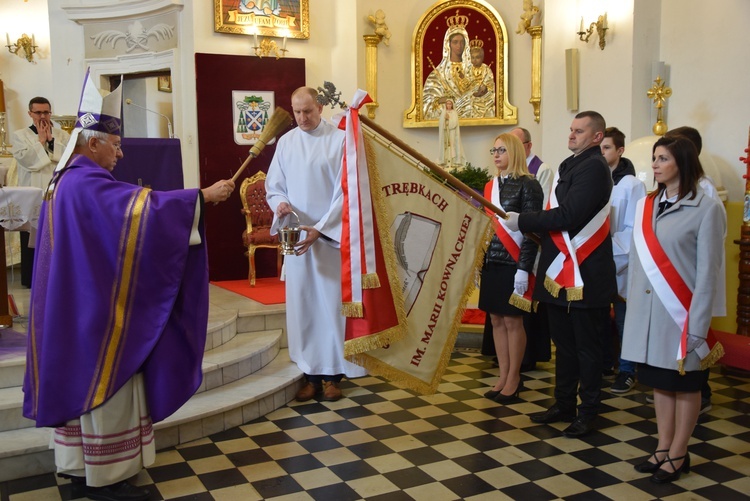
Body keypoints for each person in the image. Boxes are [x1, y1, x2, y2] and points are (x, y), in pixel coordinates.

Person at [22, 72, 235, 501]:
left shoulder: (63, 181)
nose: (120, 153)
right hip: (94, 317)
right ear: (92, 143)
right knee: (105, 382)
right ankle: (109, 476)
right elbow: (142, 213)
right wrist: (202, 198)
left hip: (73, 308)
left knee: (80, 384)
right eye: (115, 145)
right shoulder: (84, 183)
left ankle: (79, 466)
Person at [505, 111, 616, 438]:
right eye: (571, 129)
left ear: (597, 137)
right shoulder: (571, 165)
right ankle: (564, 403)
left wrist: (523, 220)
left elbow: (569, 215)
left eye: (579, 131)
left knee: (587, 348)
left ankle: (589, 411)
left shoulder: (594, 168)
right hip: (560, 271)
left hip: (585, 273)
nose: (571, 135)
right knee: (564, 346)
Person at [623, 135, 725, 483]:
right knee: (660, 384)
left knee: (686, 385)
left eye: (662, 158)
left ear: (681, 162)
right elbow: (639, 264)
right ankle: (662, 447)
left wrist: (698, 323)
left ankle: (680, 452)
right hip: (649, 314)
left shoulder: (706, 208)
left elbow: (708, 272)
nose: (654, 164)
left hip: (681, 315)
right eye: (654, 157)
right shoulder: (647, 204)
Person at [266, 86, 367, 403]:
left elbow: (346, 194)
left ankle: (333, 376)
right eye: (296, 112)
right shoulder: (286, 142)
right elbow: (274, 185)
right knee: (303, 308)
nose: (302, 117)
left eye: (307, 110)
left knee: (330, 309)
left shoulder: (338, 140)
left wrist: (321, 230)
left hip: (328, 241)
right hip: (297, 238)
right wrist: (281, 204)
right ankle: (309, 375)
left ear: (320, 107)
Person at [480, 133, 543, 403]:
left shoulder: (529, 185)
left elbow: (531, 231)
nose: (496, 155)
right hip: (492, 262)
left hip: (514, 263)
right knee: (495, 319)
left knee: (512, 321)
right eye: (493, 150)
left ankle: (514, 378)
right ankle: (503, 375)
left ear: (515, 152)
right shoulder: (489, 186)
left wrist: (523, 268)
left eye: (502, 150)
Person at [600, 127, 647, 394]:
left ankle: (627, 370)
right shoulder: (593, 179)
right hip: (595, 261)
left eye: (607, 148)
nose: (602, 152)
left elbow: (633, 230)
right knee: (599, 318)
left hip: (619, 262)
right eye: (600, 147)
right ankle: (606, 362)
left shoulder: (631, 185)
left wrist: (608, 255)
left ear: (620, 151)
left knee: (623, 318)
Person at [11, 96, 70, 287]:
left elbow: (67, 159)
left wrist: (51, 142)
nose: (43, 116)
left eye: (46, 112)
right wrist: (41, 142)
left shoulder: (62, 135)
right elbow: (26, 160)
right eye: (38, 112)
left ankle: (58, 277)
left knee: (57, 233)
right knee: (32, 234)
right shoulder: (20, 135)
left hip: (57, 191)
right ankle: (31, 278)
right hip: (32, 193)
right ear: (30, 114)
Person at [422, 15, 473, 120]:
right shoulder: (438, 74)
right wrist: (443, 100)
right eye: (455, 42)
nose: (459, 46)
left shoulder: (473, 70)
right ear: (448, 45)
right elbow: (427, 104)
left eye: (462, 42)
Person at [468, 40, 495, 117]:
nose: (475, 60)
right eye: (472, 57)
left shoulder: (486, 68)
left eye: (477, 57)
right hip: (472, 96)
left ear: (482, 58)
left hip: (484, 97)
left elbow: (490, 83)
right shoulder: (468, 69)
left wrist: (485, 87)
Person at [437, 99, 464, 167]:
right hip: (445, 131)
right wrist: (444, 120)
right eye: (447, 104)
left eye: (450, 104)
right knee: (445, 145)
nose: (448, 105)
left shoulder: (454, 112)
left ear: (452, 105)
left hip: (452, 132)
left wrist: (449, 119)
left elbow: (454, 123)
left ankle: (454, 161)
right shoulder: (443, 112)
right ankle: (444, 160)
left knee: (452, 145)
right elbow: (441, 123)